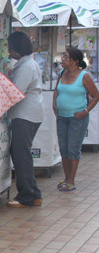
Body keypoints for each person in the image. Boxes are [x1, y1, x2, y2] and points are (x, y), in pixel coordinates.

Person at [53, 47, 99, 192]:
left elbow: (96, 96)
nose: (63, 60)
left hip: (77, 119)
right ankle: (66, 178)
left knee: (73, 149)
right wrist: (54, 104)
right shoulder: (62, 73)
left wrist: (85, 112)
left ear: (75, 61)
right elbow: (57, 90)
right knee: (63, 148)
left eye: (66, 57)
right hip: (62, 117)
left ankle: (71, 180)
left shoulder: (84, 76)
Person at [6, 31, 44, 208]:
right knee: (21, 154)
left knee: (22, 155)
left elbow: (16, 92)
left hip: (25, 115)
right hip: (28, 114)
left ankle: (27, 195)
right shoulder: (27, 63)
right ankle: (32, 193)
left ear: (16, 50)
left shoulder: (27, 66)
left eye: (10, 48)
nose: (9, 52)